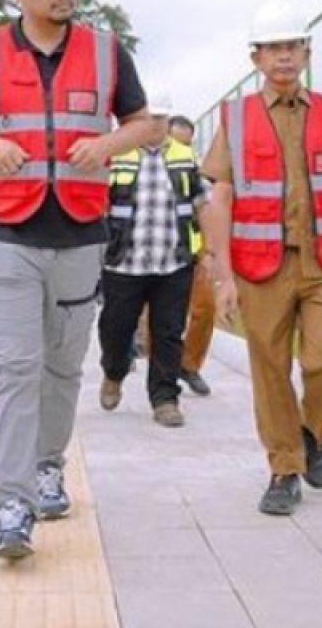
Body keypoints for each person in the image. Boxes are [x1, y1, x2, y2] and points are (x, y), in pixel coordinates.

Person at [0, 0, 155, 558]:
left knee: (62, 367)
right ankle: (9, 504)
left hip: (81, 232)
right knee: (12, 368)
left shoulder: (109, 53)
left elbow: (143, 124)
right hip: (6, 232)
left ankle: (48, 464)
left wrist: (108, 144)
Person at [201, 0, 322, 517]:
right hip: (260, 268)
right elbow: (222, 199)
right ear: (255, 58)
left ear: (306, 53)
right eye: (273, 48)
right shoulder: (235, 120)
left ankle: (311, 434)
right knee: (271, 369)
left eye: (292, 46)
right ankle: (284, 470)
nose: (284, 56)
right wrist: (223, 275)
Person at [96, 94, 205, 427]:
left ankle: (165, 399)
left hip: (173, 261)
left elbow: (204, 204)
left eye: (161, 118)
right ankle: (114, 372)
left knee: (169, 332)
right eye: (149, 117)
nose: (155, 124)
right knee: (116, 329)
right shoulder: (115, 154)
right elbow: (97, 204)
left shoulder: (186, 157)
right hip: (123, 262)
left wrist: (210, 251)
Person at [168, 114, 216, 397]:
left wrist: (210, 250)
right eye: (177, 142)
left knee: (204, 308)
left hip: (195, 249)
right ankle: (162, 372)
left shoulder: (197, 168)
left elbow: (206, 208)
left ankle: (190, 365)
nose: (182, 150)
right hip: (161, 252)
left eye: (187, 143)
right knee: (160, 317)